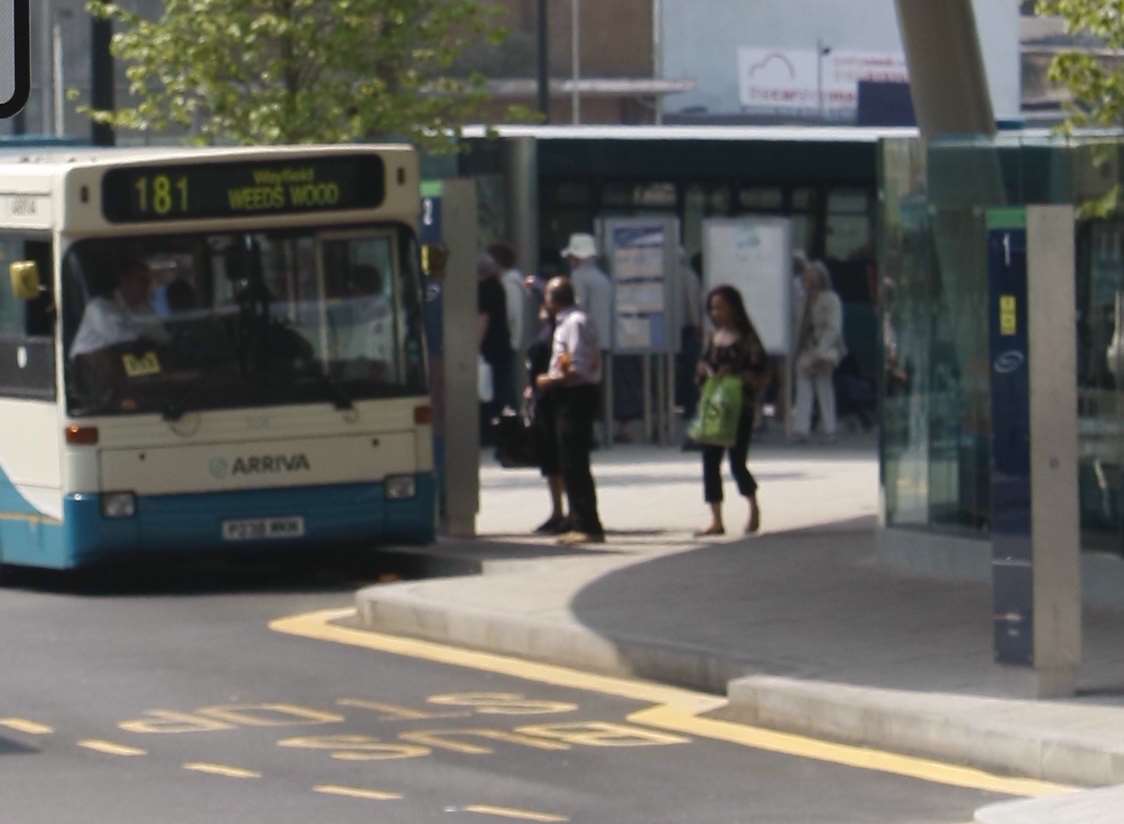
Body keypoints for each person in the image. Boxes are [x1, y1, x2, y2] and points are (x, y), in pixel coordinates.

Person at [695, 285, 770, 537]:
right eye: (713, 308)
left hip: (739, 408)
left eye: (721, 307)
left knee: (737, 461)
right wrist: (706, 373)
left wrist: (736, 376)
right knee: (710, 461)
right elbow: (702, 366)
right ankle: (716, 518)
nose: (716, 313)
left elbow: (760, 371)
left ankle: (752, 505)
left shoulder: (747, 338)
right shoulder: (711, 337)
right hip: (714, 407)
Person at [536, 276, 605, 545]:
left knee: (575, 463)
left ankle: (587, 524)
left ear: (553, 299)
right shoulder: (568, 321)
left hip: (576, 395)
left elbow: (576, 366)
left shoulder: (574, 323)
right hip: (570, 395)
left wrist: (549, 379)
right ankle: (579, 520)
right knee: (569, 462)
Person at [70, 259, 170, 358]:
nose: (147, 286)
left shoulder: (145, 309)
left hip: (122, 365)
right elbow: (123, 341)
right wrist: (149, 339)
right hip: (89, 366)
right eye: (142, 280)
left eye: (148, 281)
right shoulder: (99, 307)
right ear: (125, 280)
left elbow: (163, 338)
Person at [792, 259, 845, 442]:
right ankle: (801, 428)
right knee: (803, 386)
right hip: (806, 349)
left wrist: (820, 352)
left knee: (824, 386)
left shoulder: (831, 299)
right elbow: (799, 326)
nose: (806, 282)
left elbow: (834, 329)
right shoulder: (802, 300)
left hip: (825, 348)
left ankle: (830, 428)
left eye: (810, 279)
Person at [525, 303, 567, 534]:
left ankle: (566, 512)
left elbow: (563, 368)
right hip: (547, 404)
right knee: (551, 464)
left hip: (555, 403)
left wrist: (546, 381)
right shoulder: (549, 333)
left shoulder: (560, 333)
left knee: (560, 462)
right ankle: (558, 511)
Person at [478, 252, 513, 445]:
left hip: (490, 347)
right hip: (502, 344)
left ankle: (489, 432)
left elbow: (483, 319)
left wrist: (475, 346)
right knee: (501, 389)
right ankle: (502, 431)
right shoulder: (498, 287)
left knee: (488, 392)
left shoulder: (484, 289)